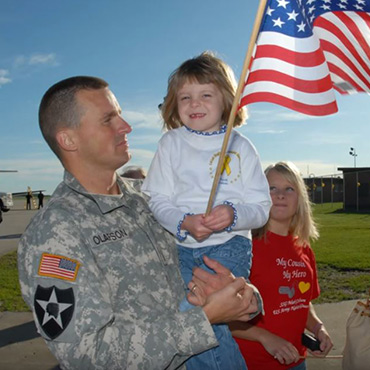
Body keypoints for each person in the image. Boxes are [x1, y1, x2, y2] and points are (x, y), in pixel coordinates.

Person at [17, 76, 262, 370]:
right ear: (68, 139)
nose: (126, 126)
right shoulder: (55, 232)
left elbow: (214, 272)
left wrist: (245, 296)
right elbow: (86, 355)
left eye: (119, 114)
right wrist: (206, 318)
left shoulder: (150, 203)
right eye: (108, 119)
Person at [141, 52, 271, 369]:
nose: (194, 104)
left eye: (205, 95)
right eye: (185, 97)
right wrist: (183, 222)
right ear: (174, 104)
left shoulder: (241, 145)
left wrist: (233, 215)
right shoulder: (170, 143)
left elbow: (262, 207)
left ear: (227, 100)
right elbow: (155, 198)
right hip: (182, 249)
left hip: (230, 247)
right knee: (191, 318)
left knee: (198, 315)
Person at [230, 161, 333, 370]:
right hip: (251, 363)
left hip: (295, 361)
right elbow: (220, 314)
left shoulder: (304, 249)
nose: (280, 195)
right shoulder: (244, 247)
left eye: (289, 189)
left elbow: (301, 302)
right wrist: (265, 337)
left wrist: (318, 327)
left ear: (300, 200)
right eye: (272, 188)